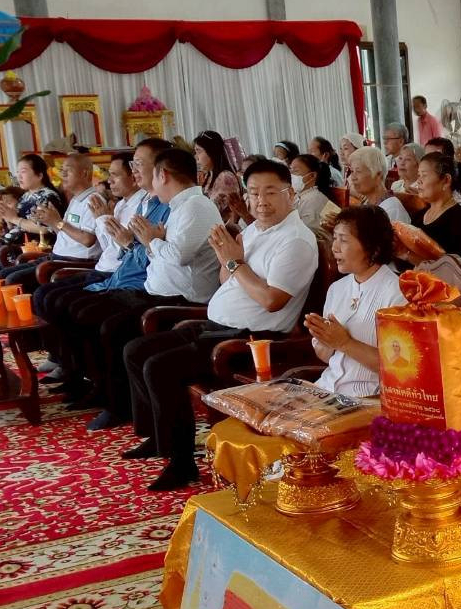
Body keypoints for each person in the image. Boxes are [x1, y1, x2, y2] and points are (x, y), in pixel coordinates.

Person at [122, 158, 318, 489]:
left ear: (292, 195)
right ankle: (161, 437)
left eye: (271, 192)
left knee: (160, 366)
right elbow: (228, 278)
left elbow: (272, 300)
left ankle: (181, 461)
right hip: (217, 326)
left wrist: (232, 259)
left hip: (253, 341)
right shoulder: (255, 229)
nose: (260, 201)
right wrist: (227, 258)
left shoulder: (296, 240)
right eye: (254, 193)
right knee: (135, 350)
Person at [44, 140, 174, 398]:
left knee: (89, 314)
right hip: (121, 275)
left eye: (138, 164)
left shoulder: (171, 206)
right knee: (58, 299)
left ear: (161, 169)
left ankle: (106, 392)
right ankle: (82, 378)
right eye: (133, 164)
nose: (134, 170)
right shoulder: (145, 202)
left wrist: (121, 237)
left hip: (144, 284)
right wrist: (124, 240)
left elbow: (152, 256)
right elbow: (126, 249)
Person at [307, 205, 406, 398]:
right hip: (326, 389)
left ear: (373, 248)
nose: (334, 247)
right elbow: (328, 358)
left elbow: (400, 368)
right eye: (334, 238)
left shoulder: (397, 295)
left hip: (368, 400)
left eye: (343, 240)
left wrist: (344, 343)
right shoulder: (337, 288)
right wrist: (324, 341)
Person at [2, 152, 104, 291]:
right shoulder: (75, 199)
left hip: (74, 262)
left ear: (85, 173)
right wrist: (50, 221)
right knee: (3, 275)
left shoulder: (93, 200)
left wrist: (58, 222)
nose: (63, 175)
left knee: (13, 280)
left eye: (68, 171)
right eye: (62, 171)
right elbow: (64, 233)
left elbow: (87, 239)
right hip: (57, 257)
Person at [413, 152, 461, 267]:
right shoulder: (418, 216)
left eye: (424, 175)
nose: (418, 181)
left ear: (446, 180)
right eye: (418, 175)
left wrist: (412, 258)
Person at [346, 146, 411, 225]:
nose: (353, 178)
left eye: (358, 171)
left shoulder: (392, 209)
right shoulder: (367, 203)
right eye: (352, 171)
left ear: (378, 175)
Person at [195, 131, 245, 225]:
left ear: (212, 152)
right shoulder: (208, 175)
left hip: (225, 230)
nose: (196, 157)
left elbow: (209, 211)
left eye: (199, 151)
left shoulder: (226, 178)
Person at [289, 153, 338, 243]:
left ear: (312, 176)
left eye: (295, 171)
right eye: (290, 170)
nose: (291, 175)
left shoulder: (315, 199)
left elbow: (307, 232)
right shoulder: (299, 196)